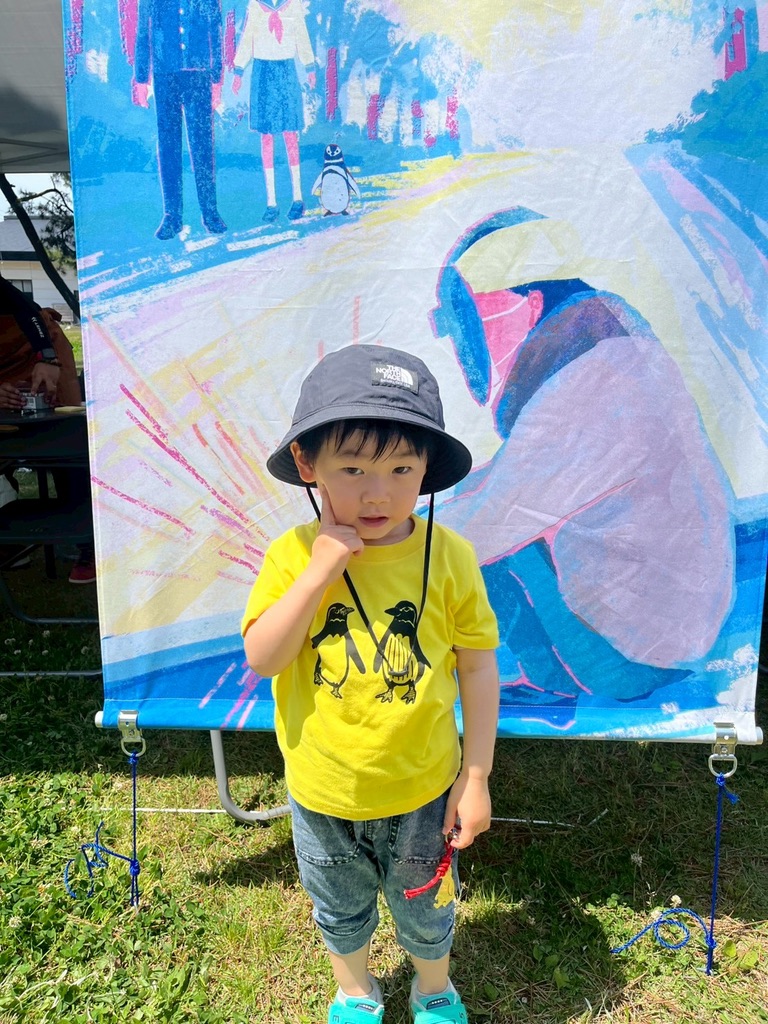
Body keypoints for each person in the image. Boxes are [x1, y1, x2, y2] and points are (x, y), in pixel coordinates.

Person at [242, 345, 499, 1024]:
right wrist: (319, 572)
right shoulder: (292, 557)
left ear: (427, 469)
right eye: (352, 469)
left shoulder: (450, 557)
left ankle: (433, 988)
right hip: (323, 789)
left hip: (423, 788)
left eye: (401, 469)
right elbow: (264, 658)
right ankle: (355, 990)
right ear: (308, 464)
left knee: (427, 904)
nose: (377, 493)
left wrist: (475, 776)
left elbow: (477, 666)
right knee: (339, 905)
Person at [430, 208, 734, 717]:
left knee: (468, 545)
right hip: (676, 627)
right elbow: (511, 482)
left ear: (528, 303)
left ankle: (550, 681)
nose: (466, 341)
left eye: (471, 317)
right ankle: (547, 675)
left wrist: (382, 531)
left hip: (638, 655)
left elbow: (491, 517)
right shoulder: (614, 356)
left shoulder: (592, 384)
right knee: (468, 511)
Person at [0, 276, 95, 584]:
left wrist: (48, 357)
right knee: (9, 445)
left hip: (38, 346)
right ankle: (14, 540)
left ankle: (89, 546)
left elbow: (23, 307)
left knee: (64, 439)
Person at [133, 0, 227, 239]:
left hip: (199, 72)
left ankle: (210, 213)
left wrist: (217, 76)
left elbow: (215, 27)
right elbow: (143, 28)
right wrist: (141, 77)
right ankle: (172, 217)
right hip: (165, 72)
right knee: (168, 147)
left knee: (202, 146)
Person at [232, 0, 316, 223]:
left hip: (286, 72)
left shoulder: (293, 4)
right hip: (262, 73)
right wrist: (239, 69)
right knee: (267, 137)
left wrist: (309, 65)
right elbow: (248, 35)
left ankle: (297, 198)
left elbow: (301, 32)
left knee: (290, 134)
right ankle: (271, 203)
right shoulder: (255, 4)